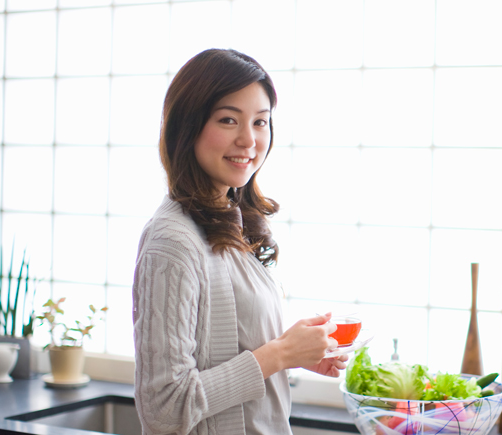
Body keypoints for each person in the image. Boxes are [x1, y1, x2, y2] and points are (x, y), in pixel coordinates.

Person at [132, 48, 348, 435]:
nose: (249, 139)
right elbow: (163, 409)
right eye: (229, 120)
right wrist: (278, 354)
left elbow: (226, 355)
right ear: (188, 126)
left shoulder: (231, 219)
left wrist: (292, 354)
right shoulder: (172, 241)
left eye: (261, 122)